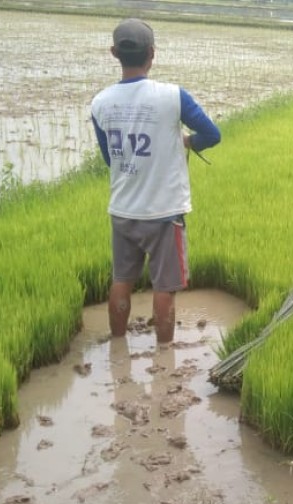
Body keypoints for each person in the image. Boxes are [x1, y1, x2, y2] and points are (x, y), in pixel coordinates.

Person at [90, 18, 221, 343]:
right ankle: (164, 354)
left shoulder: (100, 102)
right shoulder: (173, 96)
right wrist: (188, 141)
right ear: (152, 53)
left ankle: (117, 344)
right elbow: (212, 134)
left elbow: (110, 159)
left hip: (123, 210)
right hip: (164, 214)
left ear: (114, 53)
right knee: (165, 286)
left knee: (122, 279)